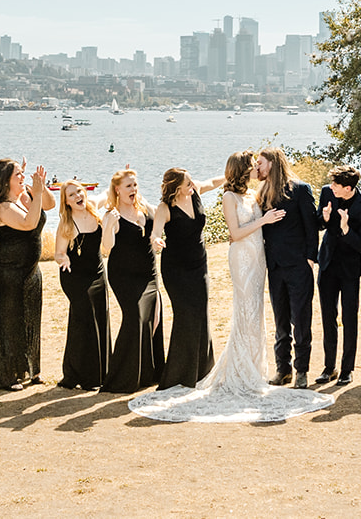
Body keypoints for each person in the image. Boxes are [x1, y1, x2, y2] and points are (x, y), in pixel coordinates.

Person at [128, 152, 333, 422]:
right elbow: (234, 233)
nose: (256, 169)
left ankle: (257, 369)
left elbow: (296, 221)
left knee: (257, 313)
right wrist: (263, 220)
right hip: (242, 258)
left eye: (258, 165)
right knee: (245, 311)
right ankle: (241, 370)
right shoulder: (228, 197)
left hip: (260, 258)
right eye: (252, 166)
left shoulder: (254, 193)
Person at [0, 157, 55, 390]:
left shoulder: (25, 196)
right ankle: (6, 375)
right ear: (5, 181)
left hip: (30, 269)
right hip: (8, 268)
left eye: (24, 173)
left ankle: (31, 369)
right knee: (9, 319)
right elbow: (29, 223)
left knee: (31, 316)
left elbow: (50, 206)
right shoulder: (3, 206)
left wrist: (40, 188)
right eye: (18, 175)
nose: (23, 177)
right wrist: (36, 194)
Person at [151, 166, 225, 388]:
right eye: (188, 184)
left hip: (199, 264)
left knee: (201, 313)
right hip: (176, 269)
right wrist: (156, 241)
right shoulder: (165, 208)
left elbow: (212, 182)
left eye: (192, 181)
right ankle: (179, 374)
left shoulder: (196, 192)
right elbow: (155, 232)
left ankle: (203, 371)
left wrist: (231, 174)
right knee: (185, 316)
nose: (192, 185)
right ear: (176, 188)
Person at [255, 147, 320, 387]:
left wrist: (310, 259)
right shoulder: (262, 192)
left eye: (260, 162)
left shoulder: (300, 189)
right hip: (274, 267)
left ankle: (301, 370)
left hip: (298, 266)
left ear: (271, 163)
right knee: (281, 321)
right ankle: (282, 370)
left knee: (301, 321)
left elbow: (311, 227)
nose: (257, 167)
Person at [101, 169, 164, 392]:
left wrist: (157, 240)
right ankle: (121, 377)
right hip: (124, 276)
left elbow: (160, 226)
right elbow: (106, 247)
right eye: (128, 186)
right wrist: (108, 225)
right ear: (117, 189)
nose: (133, 189)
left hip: (149, 273)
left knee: (153, 318)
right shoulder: (112, 215)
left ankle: (147, 373)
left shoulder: (144, 207)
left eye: (135, 185)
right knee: (135, 317)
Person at [314, 163, 361, 386]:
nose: (331, 187)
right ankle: (329, 367)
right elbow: (319, 224)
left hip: (349, 269)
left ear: (348, 188)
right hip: (327, 264)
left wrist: (347, 229)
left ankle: (347, 369)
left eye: (336, 185)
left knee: (349, 318)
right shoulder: (327, 193)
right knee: (328, 317)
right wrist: (326, 219)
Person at [54, 180, 109, 389]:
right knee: (84, 320)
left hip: (97, 274)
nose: (78, 196)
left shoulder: (93, 207)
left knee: (99, 318)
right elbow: (59, 253)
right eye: (71, 195)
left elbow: (107, 193)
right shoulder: (66, 223)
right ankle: (80, 375)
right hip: (74, 276)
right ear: (66, 202)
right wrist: (63, 259)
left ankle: (99, 373)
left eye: (79, 191)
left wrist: (120, 179)